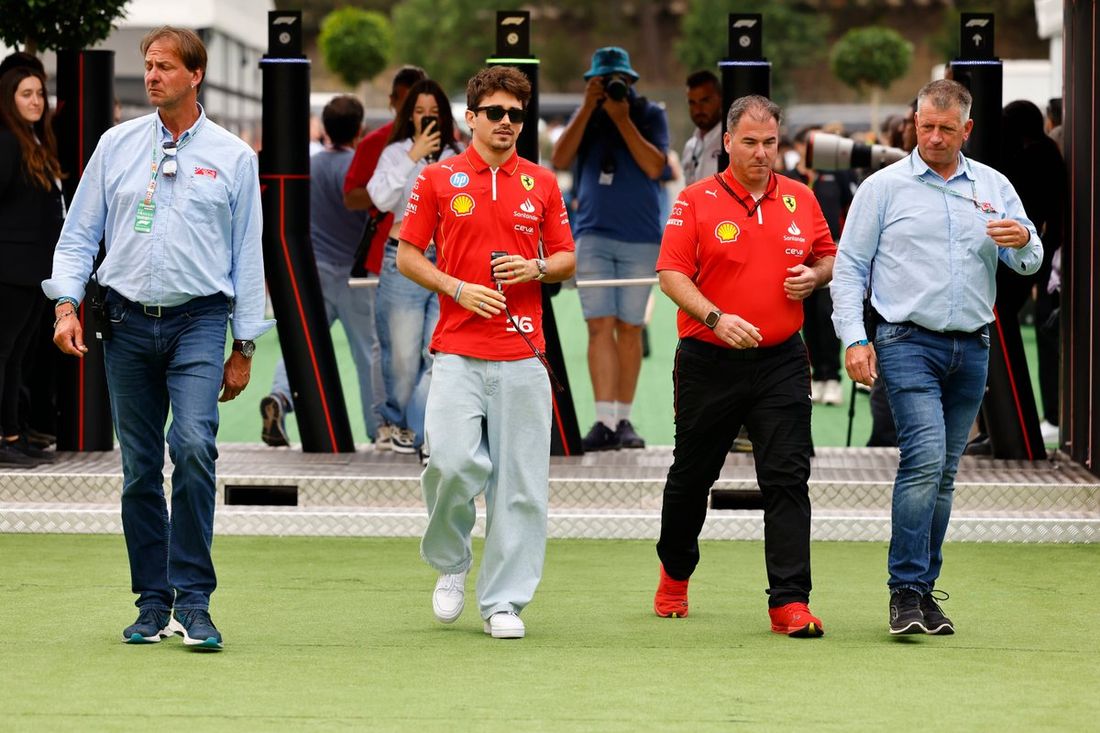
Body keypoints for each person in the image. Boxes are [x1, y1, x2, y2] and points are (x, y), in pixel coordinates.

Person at [43, 26, 272, 650]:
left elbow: (247, 255)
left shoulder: (234, 157)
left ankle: (195, 601)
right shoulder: (115, 146)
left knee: (194, 445)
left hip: (200, 321)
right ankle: (152, 602)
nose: (151, 76)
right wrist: (67, 304)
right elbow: (79, 236)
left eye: (165, 66)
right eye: (147, 65)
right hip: (122, 323)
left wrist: (244, 347)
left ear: (195, 75)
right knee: (142, 468)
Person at [831, 79, 1042, 636]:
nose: (935, 136)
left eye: (947, 128)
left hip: (973, 345)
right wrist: (855, 338)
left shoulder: (994, 186)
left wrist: (1020, 239)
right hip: (905, 341)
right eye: (926, 126)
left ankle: (924, 592)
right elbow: (849, 267)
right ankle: (904, 590)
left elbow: (1031, 261)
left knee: (945, 475)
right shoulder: (883, 188)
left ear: (966, 129)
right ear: (914, 122)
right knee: (924, 461)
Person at [396, 66, 575, 639]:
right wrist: (455, 287)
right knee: (448, 462)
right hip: (457, 348)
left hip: (524, 353)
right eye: (494, 112)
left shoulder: (542, 183)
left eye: (515, 115)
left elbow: (568, 258)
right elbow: (407, 255)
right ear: (470, 117)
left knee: (520, 485)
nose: (505, 123)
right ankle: (451, 561)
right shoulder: (438, 179)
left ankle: (504, 602)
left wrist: (536, 267)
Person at [653, 95, 835, 638]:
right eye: (750, 142)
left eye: (770, 143)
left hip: (781, 360)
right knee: (692, 476)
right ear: (727, 142)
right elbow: (671, 275)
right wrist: (715, 316)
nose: (761, 153)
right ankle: (675, 574)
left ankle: (789, 603)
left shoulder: (802, 198)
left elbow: (828, 255)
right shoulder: (694, 200)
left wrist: (816, 276)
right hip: (709, 360)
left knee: (787, 478)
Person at [550, 46, 668, 451]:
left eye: (619, 80)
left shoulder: (649, 114)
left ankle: (624, 419)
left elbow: (656, 167)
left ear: (631, 82)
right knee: (598, 325)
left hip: (640, 235)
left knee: (630, 327)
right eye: (603, 81)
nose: (614, 87)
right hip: (593, 234)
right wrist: (587, 109)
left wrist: (622, 119)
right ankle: (604, 420)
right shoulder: (584, 115)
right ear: (591, 83)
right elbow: (560, 157)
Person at [260, 95, 385, 448]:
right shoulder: (360, 170)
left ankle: (281, 399)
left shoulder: (309, 167)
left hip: (314, 271)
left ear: (324, 128)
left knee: (299, 344)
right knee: (366, 354)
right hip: (356, 277)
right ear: (359, 129)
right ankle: (378, 428)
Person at [367, 79, 463, 458]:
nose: (426, 120)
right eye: (419, 113)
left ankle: (422, 427)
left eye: (433, 113)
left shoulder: (459, 154)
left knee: (436, 351)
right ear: (409, 115)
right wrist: (413, 157)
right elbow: (380, 198)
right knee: (403, 354)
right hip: (402, 258)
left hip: (448, 261)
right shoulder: (395, 153)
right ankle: (397, 423)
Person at [0, 63, 65, 467]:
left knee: (14, 356)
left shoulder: (34, 142)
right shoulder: (7, 143)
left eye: (40, 94)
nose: (36, 101)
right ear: (9, 99)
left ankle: (11, 434)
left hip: (32, 272)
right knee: (3, 354)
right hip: (9, 271)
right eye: (26, 94)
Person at [998, 100, 1065, 444]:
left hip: (1036, 257)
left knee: (1034, 335)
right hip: (1040, 255)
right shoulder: (1046, 151)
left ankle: (1043, 418)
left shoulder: (1034, 156)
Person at [784, 126, 855, 406]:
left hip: (831, 258)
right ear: (800, 147)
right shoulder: (789, 178)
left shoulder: (838, 175)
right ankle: (814, 375)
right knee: (807, 322)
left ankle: (832, 377)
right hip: (796, 259)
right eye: (809, 144)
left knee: (828, 319)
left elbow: (851, 211)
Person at [681, 70, 722, 186]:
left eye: (705, 101)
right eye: (692, 102)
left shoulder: (733, 142)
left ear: (720, 99)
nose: (698, 109)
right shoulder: (690, 147)